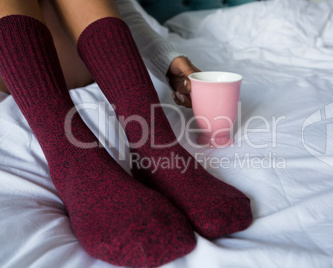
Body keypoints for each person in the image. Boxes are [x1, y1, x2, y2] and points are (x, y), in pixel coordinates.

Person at [0, 0, 253, 267]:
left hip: (82, 52)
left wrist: (166, 59)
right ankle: (73, 159)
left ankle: (153, 142)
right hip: (16, 64)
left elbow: (119, 5)